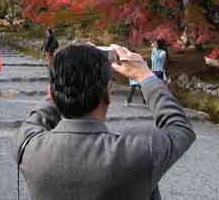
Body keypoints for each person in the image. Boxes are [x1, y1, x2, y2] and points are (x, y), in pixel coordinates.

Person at [13, 43, 196, 200]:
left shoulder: (26, 145)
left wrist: (67, 74)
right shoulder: (137, 151)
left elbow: (39, 115)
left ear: (51, 93)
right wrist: (145, 76)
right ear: (108, 92)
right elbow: (180, 127)